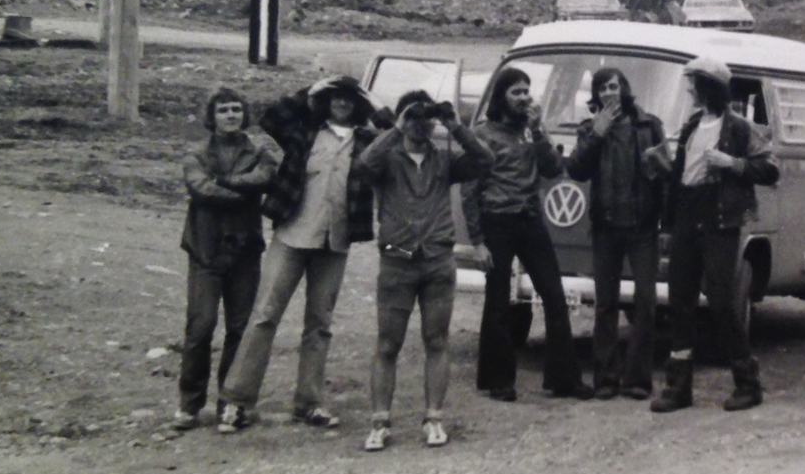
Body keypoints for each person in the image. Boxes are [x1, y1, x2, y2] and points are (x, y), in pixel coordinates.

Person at [219, 75, 390, 433]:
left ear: (357, 104)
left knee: (319, 324)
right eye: (336, 96)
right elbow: (271, 117)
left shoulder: (367, 141)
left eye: (349, 98)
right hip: (293, 235)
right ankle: (237, 402)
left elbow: (395, 137)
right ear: (326, 100)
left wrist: (374, 101)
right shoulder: (305, 131)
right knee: (264, 315)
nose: (342, 103)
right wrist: (310, 91)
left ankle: (308, 403)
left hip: (335, 242)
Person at [352, 89, 493, 451]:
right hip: (397, 257)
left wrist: (455, 125)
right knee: (387, 343)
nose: (420, 124)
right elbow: (363, 166)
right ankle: (380, 422)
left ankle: (434, 418)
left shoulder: (444, 159)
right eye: (413, 117)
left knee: (437, 340)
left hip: (436, 259)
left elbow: (485, 160)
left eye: (425, 118)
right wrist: (396, 130)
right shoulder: (387, 155)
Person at [649, 55, 780, 413]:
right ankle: (678, 388)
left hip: (719, 220)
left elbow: (770, 169)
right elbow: (682, 174)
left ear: (709, 86)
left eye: (693, 82)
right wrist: (660, 166)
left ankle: (748, 384)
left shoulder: (739, 127)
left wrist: (733, 163)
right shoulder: (692, 125)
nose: (689, 88)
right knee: (680, 300)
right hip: (686, 216)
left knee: (721, 299)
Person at [463, 67, 594, 401]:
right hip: (497, 221)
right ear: (501, 97)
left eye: (526, 91)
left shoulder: (531, 129)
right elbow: (469, 190)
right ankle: (497, 379)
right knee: (498, 299)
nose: (523, 98)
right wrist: (477, 241)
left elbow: (553, 169)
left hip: (530, 218)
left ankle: (564, 378)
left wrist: (538, 131)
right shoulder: (483, 133)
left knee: (553, 293)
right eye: (516, 92)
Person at [174, 88, 283, 431]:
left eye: (236, 109)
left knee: (240, 329)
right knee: (200, 326)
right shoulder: (196, 152)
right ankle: (189, 405)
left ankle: (230, 404)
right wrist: (241, 192)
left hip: (245, 250)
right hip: (205, 250)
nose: (231, 115)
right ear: (212, 116)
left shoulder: (259, 150)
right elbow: (199, 188)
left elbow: (266, 177)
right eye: (223, 110)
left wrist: (224, 182)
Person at [565, 67, 667, 400]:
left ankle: (637, 380)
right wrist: (597, 134)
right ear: (596, 95)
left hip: (643, 227)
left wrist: (665, 217)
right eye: (603, 88)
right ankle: (606, 379)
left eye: (614, 86)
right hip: (606, 227)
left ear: (624, 88)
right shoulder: (589, 128)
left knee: (646, 303)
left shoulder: (649, 125)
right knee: (605, 305)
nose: (609, 92)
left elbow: (665, 172)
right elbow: (576, 170)